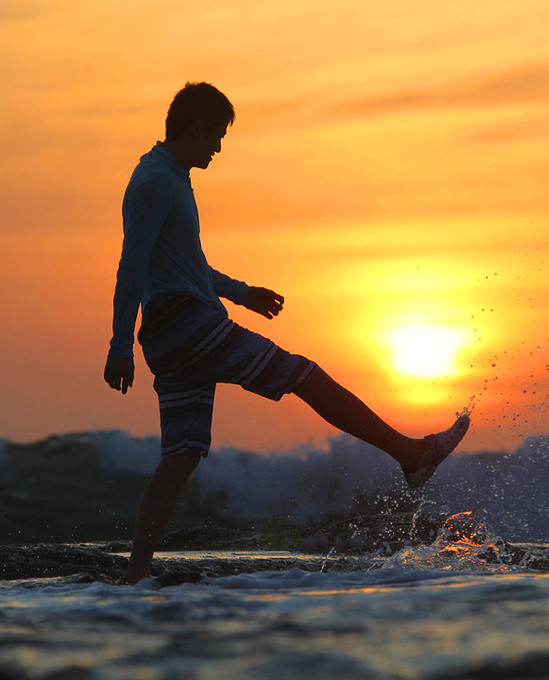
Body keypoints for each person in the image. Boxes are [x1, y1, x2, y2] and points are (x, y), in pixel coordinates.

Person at [104, 82, 470, 584]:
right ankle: (412, 455)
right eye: (216, 136)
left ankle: (136, 577)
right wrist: (118, 345)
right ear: (194, 128)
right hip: (187, 326)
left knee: (181, 455)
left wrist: (241, 292)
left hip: (175, 335)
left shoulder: (168, 176)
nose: (218, 147)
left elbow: (186, 264)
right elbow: (133, 265)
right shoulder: (155, 184)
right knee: (304, 375)